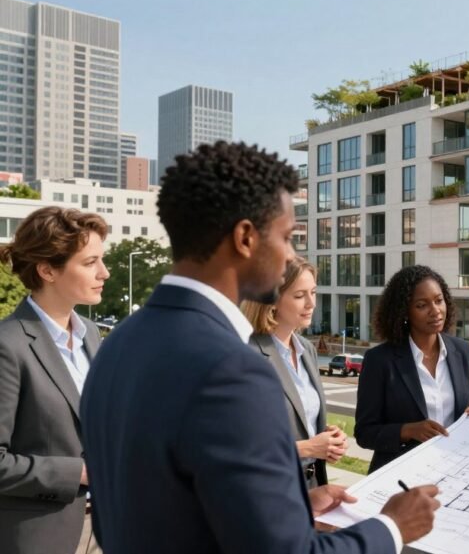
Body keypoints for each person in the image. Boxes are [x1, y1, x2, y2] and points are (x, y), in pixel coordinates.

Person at [80, 141, 440, 554]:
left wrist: (290, 508)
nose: (290, 255)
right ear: (246, 238)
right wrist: (392, 527)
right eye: (286, 237)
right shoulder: (233, 370)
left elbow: (148, 507)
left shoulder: (116, 344)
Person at [0, 207, 108, 554]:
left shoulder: (91, 333)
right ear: (47, 270)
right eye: (90, 262)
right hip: (38, 538)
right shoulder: (8, 345)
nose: (104, 272)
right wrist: (80, 473)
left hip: (103, 529)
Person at [355, 265, 469, 473]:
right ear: (404, 312)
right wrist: (408, 430)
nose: (435, 310)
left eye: (439, 300)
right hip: (401, 476)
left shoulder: (463, 351)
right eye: (422, 305)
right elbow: (364, 433)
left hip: (454, 470)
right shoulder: (379, 360)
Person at [241, 256, 346, 490]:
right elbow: (240, 448)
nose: (311, 303)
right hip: (268, 491)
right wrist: (309, 447)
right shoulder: (247, 355)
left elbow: (301, 419)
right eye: (299, 295)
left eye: (313, 293)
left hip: (312, 485)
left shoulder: (307, 350)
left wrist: (329, 440)